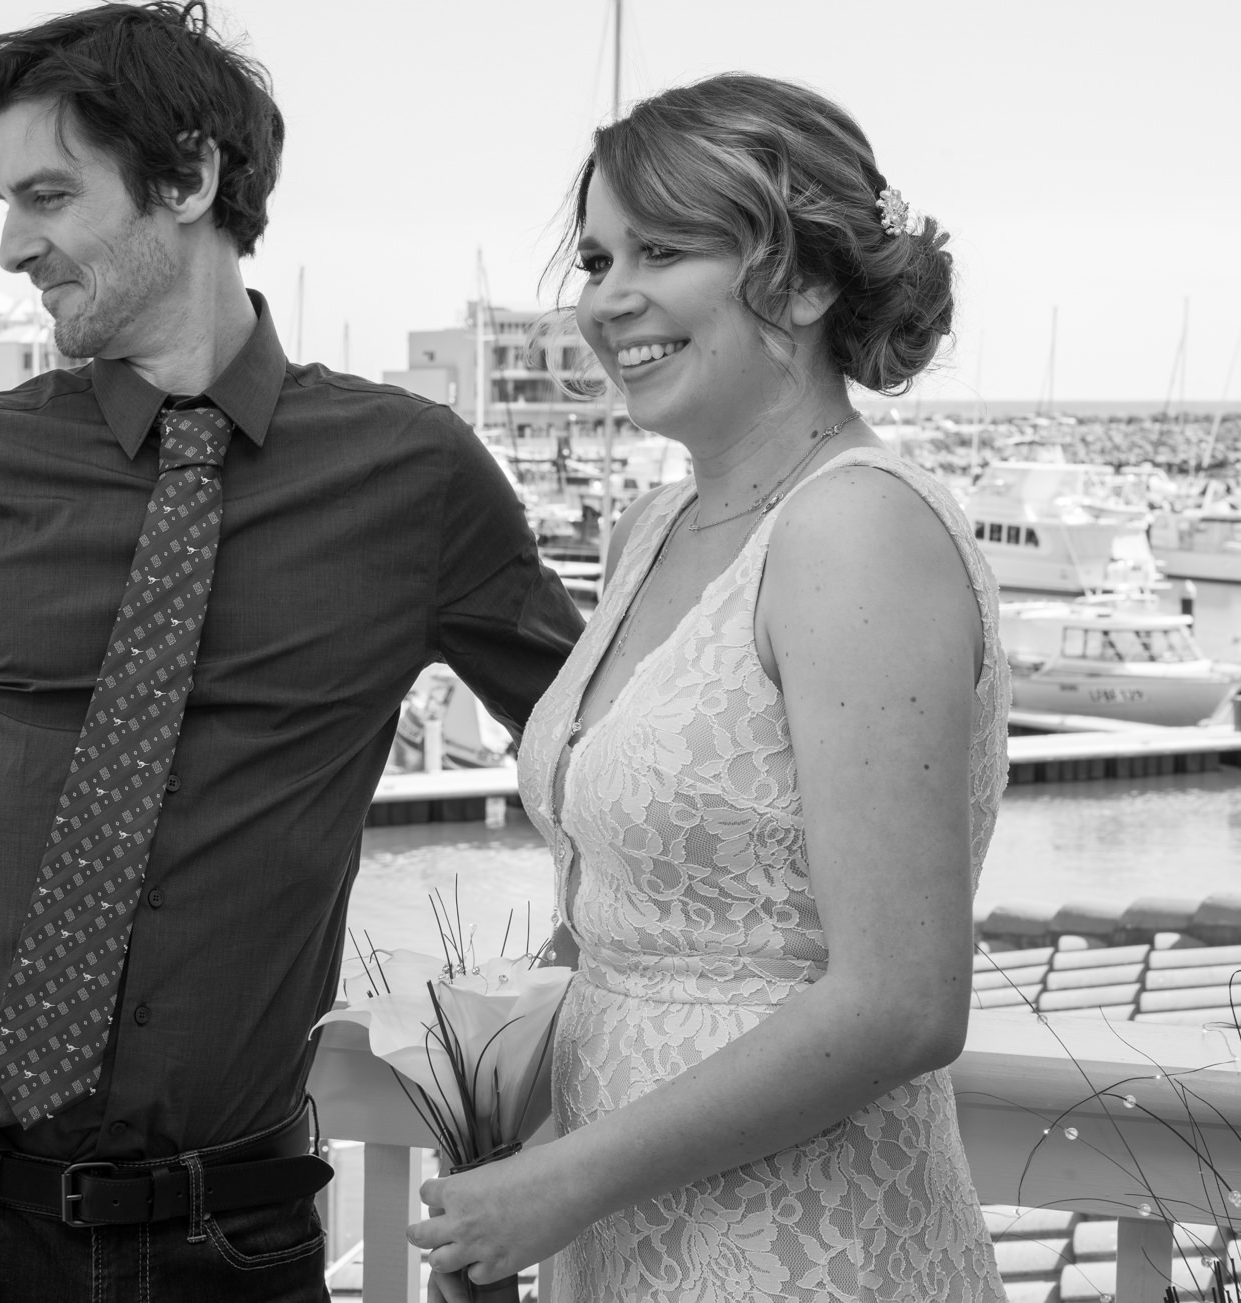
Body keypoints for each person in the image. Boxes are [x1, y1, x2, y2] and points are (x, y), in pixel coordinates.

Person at [0, 0, 584, 1303]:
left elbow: (613, 769)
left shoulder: (416, 482)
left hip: (235, 1239)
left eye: (48, 195)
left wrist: (589, 996)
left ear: (187, 178)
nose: (13, 242)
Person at [409, 73, 1009, 1302]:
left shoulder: (854, 531)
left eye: (663, 248)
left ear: (799, 276)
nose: (607, 297)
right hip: (616, 1230)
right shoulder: (654, 526)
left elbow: (900, 1001)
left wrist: (565, 1180)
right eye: (594, 255)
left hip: (805, 1243)